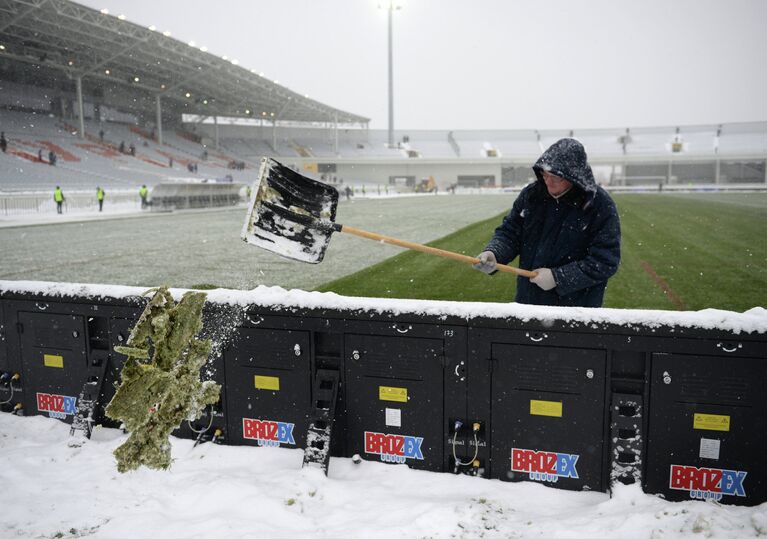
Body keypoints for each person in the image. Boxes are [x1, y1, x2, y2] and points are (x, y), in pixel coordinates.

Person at [473, 138, 621, 307]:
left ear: (574, 176)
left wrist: (559, 277)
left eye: (555, 177)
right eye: (545, 174)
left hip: (576, 309)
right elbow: (510, 232)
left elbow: (605, 261)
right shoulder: (532, 196)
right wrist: (495, 253)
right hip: (529, 304)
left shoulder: (598, 205)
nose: (548, 181)